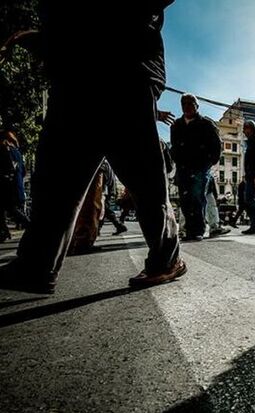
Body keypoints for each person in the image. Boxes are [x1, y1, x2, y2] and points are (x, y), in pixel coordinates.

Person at [0, 1, 185, 294]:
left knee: (141, 175)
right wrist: (46, 40)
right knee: (56, 175)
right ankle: (36, 263)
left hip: (124, 63)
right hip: (74, 68)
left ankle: (166, 256)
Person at [170, 93, 223, 242]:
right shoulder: (176, 125)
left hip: (200, 168)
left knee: (197, 198)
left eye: (190, 103)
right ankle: (189, 230)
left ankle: (198, 230)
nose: (187, 106)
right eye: (184, 103)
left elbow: (216, 146)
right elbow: (174, 147)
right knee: (185, 200)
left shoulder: (206, 124)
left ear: (196, 106)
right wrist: (176, 160)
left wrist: (208, 163)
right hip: (183, 168)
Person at [97, 159, 128, 236]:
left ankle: (119, 226)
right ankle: (98, 229)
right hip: (110, 190)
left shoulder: (103, 164)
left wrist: (102, 191)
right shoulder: (109, 164)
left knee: (105, 209)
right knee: (104, 210)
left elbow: (104, 179)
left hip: (105, 190)